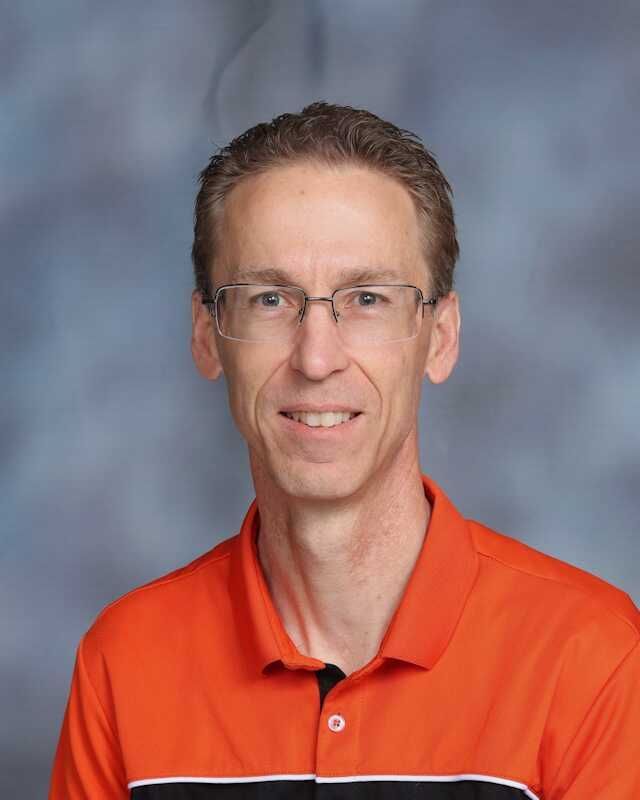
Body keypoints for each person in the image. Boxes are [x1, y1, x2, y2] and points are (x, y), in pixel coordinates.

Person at [49, 102, 640, 799]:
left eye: (367, 298)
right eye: (270, 299)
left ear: (440, 337)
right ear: (208, 335)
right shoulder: (124, 661)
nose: (317, 356)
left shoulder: (590, 658)